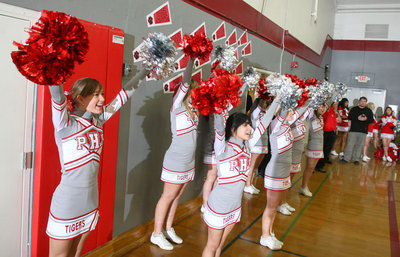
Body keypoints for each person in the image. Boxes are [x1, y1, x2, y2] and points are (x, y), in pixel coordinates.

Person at [46, 69, 148, 257]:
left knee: (77, 253)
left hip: (90, 201)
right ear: (80, 99)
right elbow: (57, 95)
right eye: (96, 95)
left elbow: (124, 95)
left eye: (101, 94)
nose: (102, 99)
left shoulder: (98, 121)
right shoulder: (65, 124)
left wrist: (146, 70)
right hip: (67, 203)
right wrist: (55, 64)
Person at [202, 98, 279, 257]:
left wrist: (278, 99)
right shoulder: (222, 147)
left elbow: (264, 122)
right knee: (212, 245)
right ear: (232, 129)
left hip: (235, 206)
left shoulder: (248, 146)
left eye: (249, 124)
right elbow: (218, 123)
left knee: (220, 246)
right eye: (244, 125)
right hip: (219, 205)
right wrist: (218, 99)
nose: (249, 128)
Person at [151, 59, 198, 250]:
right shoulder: (177, 107)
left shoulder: (194, 110)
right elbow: (186, 80)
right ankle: (156, 233)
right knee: (167, 196)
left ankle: (168, 228)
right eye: (194, 92)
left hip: (189, 161)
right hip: (176, 160)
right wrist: (192, 59)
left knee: (177, 196)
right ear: (186, 92)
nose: (197, 95)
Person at [245, 98, 272, 194]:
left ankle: (250, 183)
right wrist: (263, 94)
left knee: (256, 166)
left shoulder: (266, 113)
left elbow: (273, 110)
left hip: (264, 141)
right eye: (264, 102)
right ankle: (247, 185)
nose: (265, 104)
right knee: (252, 165)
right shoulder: (255, 113)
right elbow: (260, 106)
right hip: (256, 142)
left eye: (266, 103)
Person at [300, 105, 326, 197]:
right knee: (309, 167)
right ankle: (303, 186)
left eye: (323, 107)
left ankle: (305, 186)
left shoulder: (320, 117)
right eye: (321, 107)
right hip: (313, 144)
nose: (322, 109)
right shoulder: (311, 115)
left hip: (320, 143)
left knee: (312, 168)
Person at [341, 97, 374, 164]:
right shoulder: (354, 109)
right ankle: (346, 158)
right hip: (353, 130)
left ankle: (356, 159)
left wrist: (366, 119)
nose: (363, 102)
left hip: (363, 131)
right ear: (359, 102)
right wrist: (357, 118)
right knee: (350, 144)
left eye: (364, 101)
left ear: (366, 102)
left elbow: (371, 120)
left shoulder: (369, 111)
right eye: (361, 101)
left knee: (359, 145)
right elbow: (349, 117)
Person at [315, 102, 340, 173]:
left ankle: (325, 160)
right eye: (334, 104)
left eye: (337, 104)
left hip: (333, 132)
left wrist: (336, 113)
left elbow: (339, 120)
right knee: (323, 149)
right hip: (326, 132)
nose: (336, 105)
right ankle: (319, 165)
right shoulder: (327, 111)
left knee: (328, 149)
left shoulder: (334, 112)